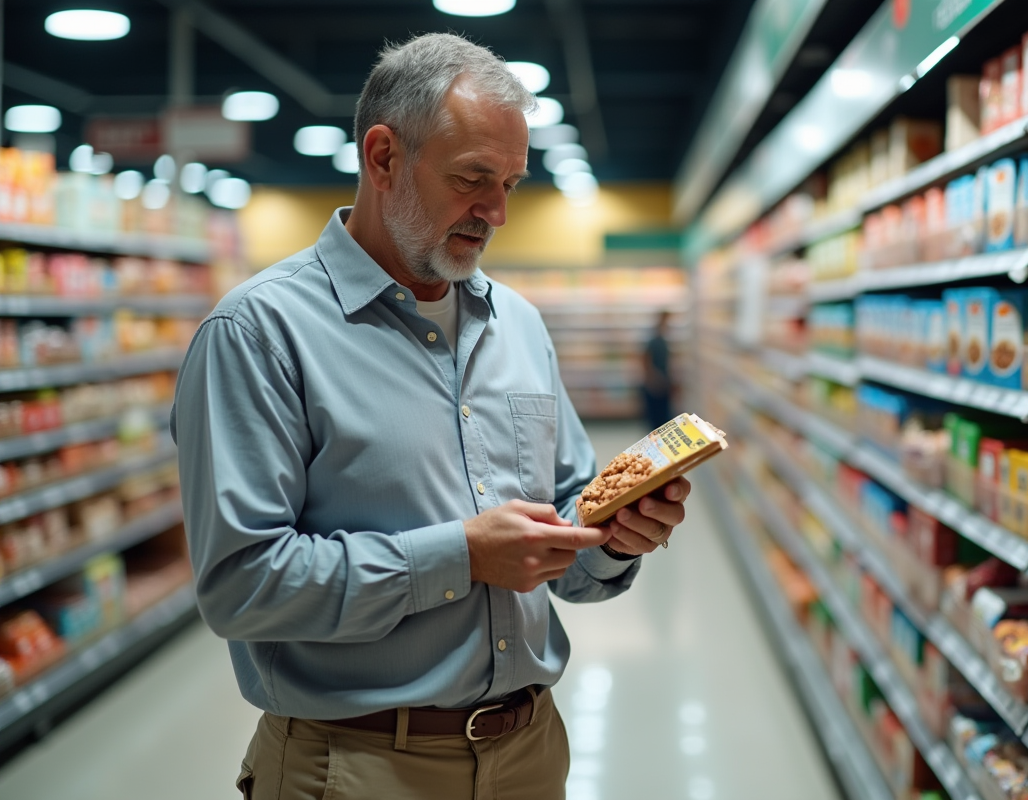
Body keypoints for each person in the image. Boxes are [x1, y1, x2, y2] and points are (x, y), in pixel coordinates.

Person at [171, 33, 692, 800]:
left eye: (511, 182)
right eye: (473, 178)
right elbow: (241, 585)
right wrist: (462, 558)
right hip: (356, 768)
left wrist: (614, 536)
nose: (499, 213)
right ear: (382, 157)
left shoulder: (517, 323)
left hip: (531, 753)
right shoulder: (258, 334)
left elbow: (573, 547)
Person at [643, 310, 673, 429]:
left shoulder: (662, 340)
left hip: (662, 381)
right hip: (656, 382)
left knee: (662, 415)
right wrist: (653, 378)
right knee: (657, 416)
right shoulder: (654, 341)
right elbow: (646, 361)